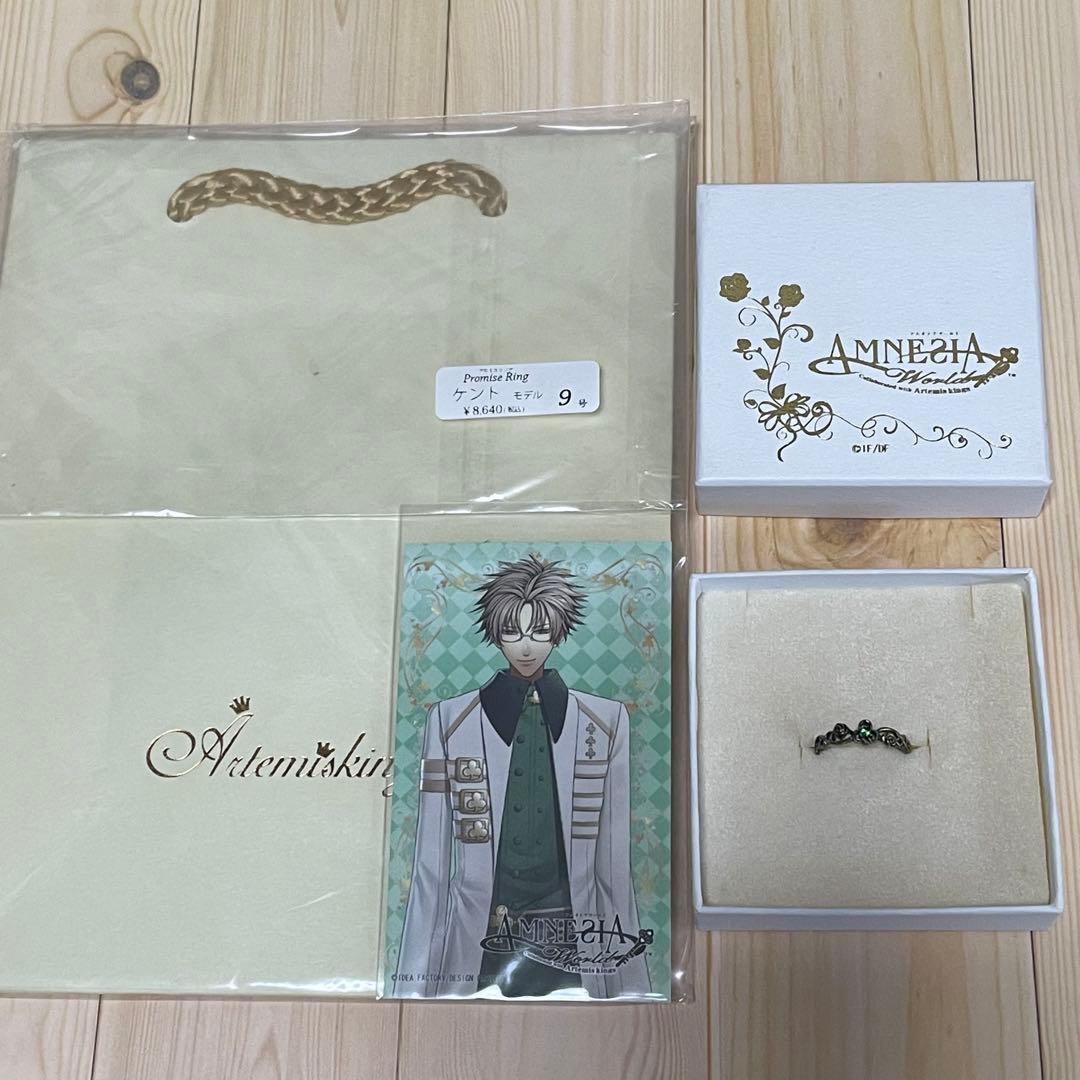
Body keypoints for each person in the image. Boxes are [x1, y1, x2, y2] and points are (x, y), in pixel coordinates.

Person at [393, 554, 650, 999]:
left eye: (540, 631)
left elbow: (614, 867)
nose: (526, 647)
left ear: (558, 632)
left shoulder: (606, 721)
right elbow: (430, 866)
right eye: (512, 631)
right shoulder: (449, 720)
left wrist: (631, 989)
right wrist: (413, 986)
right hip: (480, 936)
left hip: (574, 937)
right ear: (495, 633)